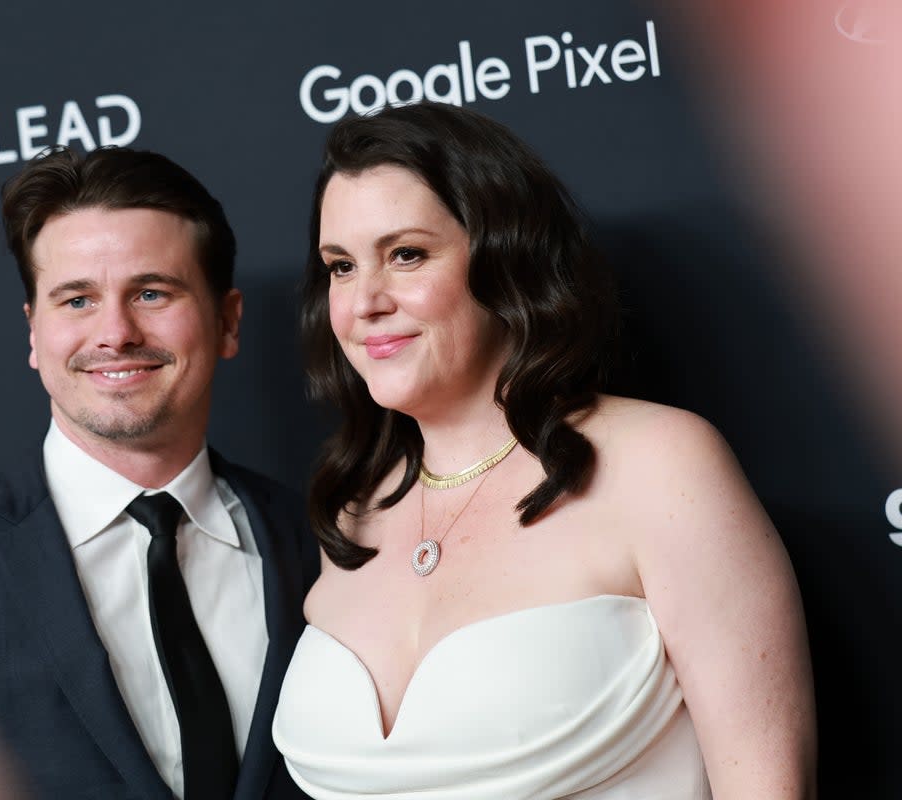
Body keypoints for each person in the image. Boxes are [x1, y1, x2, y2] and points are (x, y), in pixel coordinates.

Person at [272, 102, 816, 799]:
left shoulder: (658, 464)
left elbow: (769, 786)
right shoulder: (355, 508)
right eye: (340, 267)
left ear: (505, 257)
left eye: (406, 254)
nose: (364, 301)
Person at [0, 145, 318, 800]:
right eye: (77, 300)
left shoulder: (322, 543)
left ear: (227, 322)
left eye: (150, 292)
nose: (115, 332)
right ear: (34, 332)